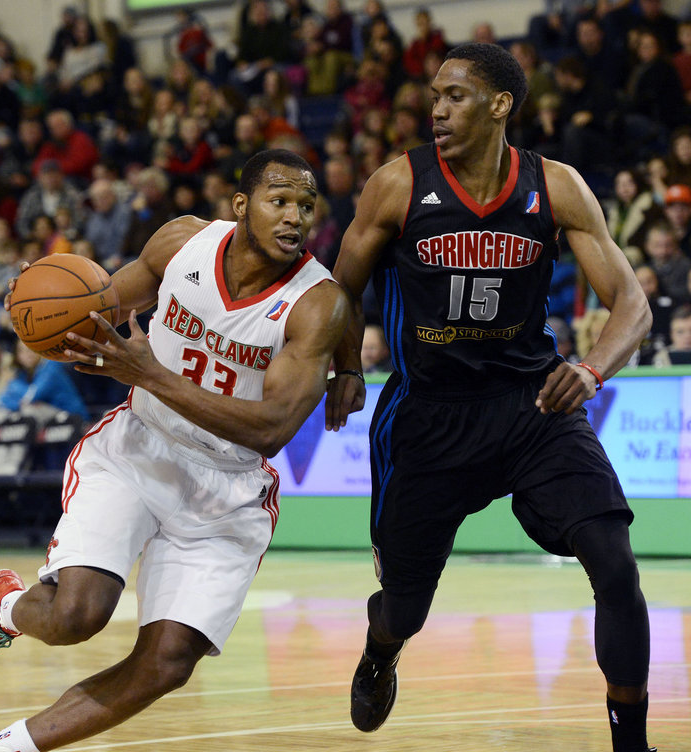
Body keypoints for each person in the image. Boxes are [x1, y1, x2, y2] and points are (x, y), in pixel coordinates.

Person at [0, 148, 350, 752]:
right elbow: (91, 320)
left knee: (168, 663)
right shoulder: (183, 243)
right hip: (138, 450)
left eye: (305, 207)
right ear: (240, 206)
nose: (294, 218)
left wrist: (148, 372)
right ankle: (1, 609)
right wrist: (40, 308)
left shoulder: (316, 303)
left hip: (227, 485)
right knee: (77, 616)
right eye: (278, 201)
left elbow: (270, 429)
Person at [324, 43, 655, 752]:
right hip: (428, 418)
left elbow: (632, 302)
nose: (436, 109)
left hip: (533, 406)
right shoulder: (396, 185)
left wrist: (592, 369)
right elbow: (339, 290)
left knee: (616, 562)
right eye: (434, 96)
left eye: (455, 95)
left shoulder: (555, 186)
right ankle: (382, 648)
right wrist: (346, 366)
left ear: (501, 105)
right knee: (405, 610)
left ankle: (632, 745)